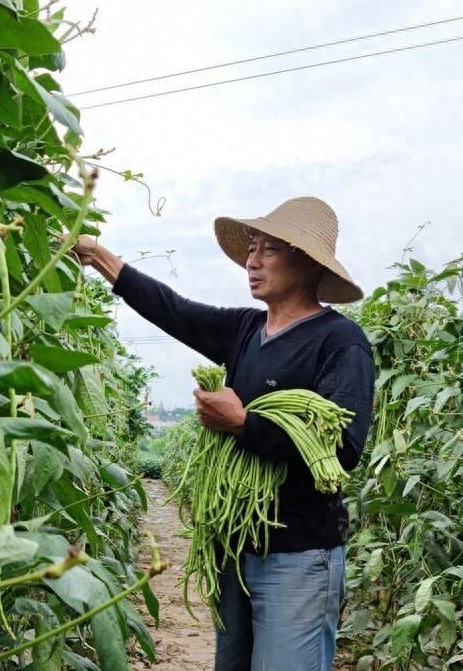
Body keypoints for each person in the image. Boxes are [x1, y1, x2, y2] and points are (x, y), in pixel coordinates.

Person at [66, 197, 375, 671]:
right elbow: (174, 310)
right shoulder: (246, 329)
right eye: (252, 248)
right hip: (237, 548)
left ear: (308, 262)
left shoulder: (340, 342)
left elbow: (344, 449)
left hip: (298, 555)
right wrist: (98, 256)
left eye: (268, 250)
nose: (251, 261)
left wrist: (244, 423)